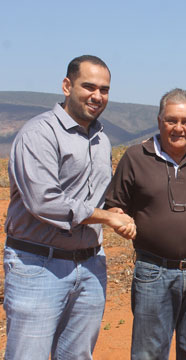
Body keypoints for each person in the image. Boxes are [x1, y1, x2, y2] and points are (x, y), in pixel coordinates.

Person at [3, 55, 136, 360]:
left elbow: (94, 197)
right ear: (66, 85)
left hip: (89, 267)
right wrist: (106, 217)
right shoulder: (40, 133)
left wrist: (111, 211)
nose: (97, 95)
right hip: (38, 266)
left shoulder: (101, 138)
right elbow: (44, 201)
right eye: (88, 86)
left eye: (104, 89)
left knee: (77, 356)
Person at [105, 88, 186, 359]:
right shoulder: (136, 157)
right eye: (171, 120)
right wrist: (121, 220)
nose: (178, 128)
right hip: (154, 272)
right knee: (149, 352)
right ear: (159, 121)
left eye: (185, 122)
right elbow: (115, 205)